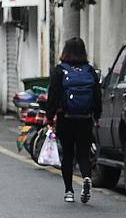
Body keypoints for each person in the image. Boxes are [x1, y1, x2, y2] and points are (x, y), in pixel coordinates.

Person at [44, 37, 102, 203]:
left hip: (65, 118)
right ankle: (85, 178)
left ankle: (69, 191)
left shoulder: (60, 71)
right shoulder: (90, 71)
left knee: (68, 154)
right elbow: (97, 96)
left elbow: (53, 96)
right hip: (85, 119)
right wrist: (97, 116)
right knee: (83, 154)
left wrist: (49, 117)